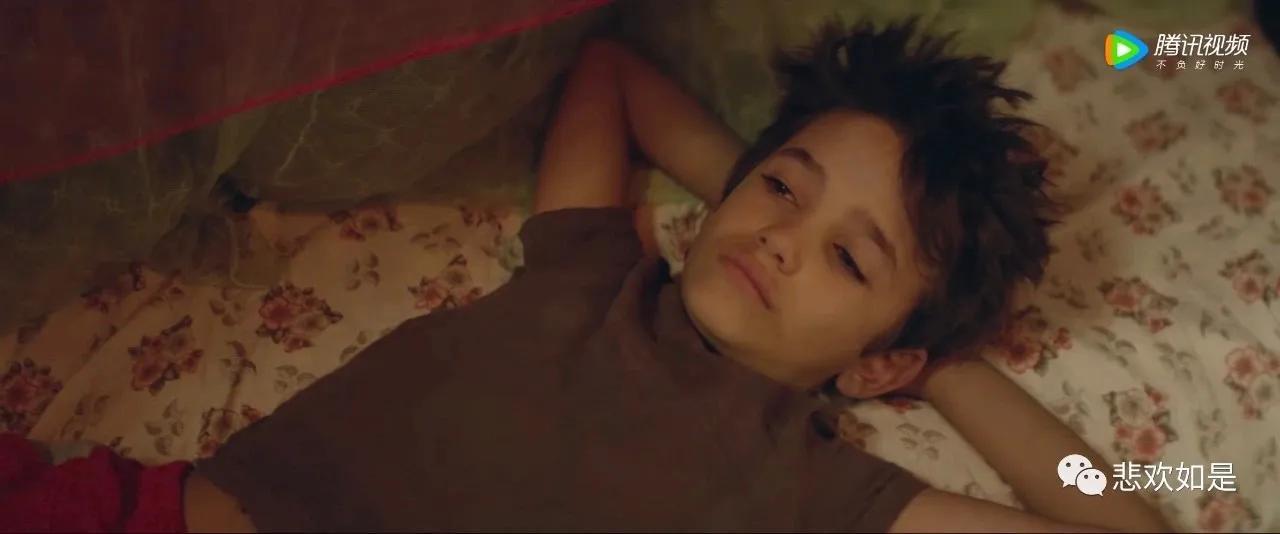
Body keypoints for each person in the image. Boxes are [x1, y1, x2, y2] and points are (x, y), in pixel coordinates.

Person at [1, 20, 1170, 532]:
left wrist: (932, 367)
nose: (782, 237)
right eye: (782, 189)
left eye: (847, 257)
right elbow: (608, 71)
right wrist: (757, 190)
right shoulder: (593, 270)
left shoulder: (812, 492)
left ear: (878, 359)